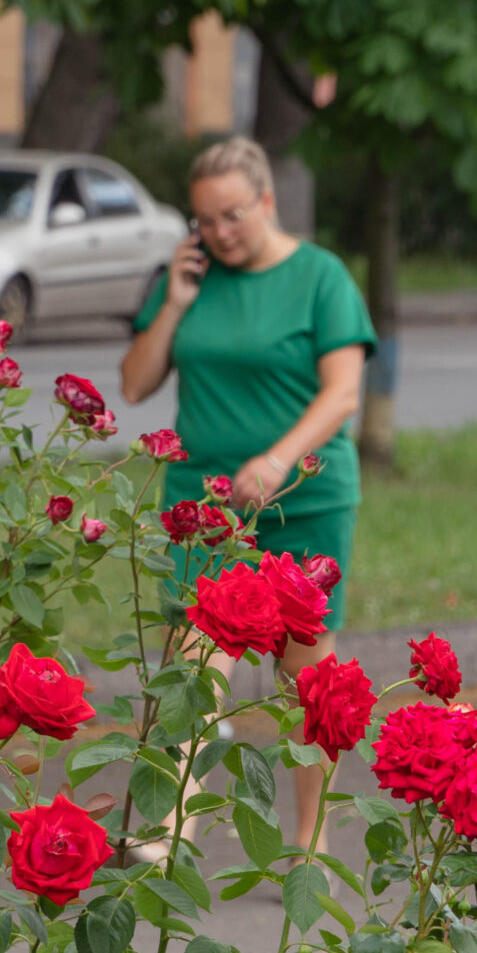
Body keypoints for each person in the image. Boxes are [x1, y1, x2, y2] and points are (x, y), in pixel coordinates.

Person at [121, 136, 376, 849]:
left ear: (267, 200)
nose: (219, 233)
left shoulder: (322, 278)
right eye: (204, 220)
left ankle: (311, 839)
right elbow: (136, 383)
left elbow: (343, 391)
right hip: (204, 508)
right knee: (193, 664)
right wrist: (172, 303)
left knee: (303, 680)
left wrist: (277, 460)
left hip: (303, 502)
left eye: (232, 214)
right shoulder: (193, 280)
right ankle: (172, 829)